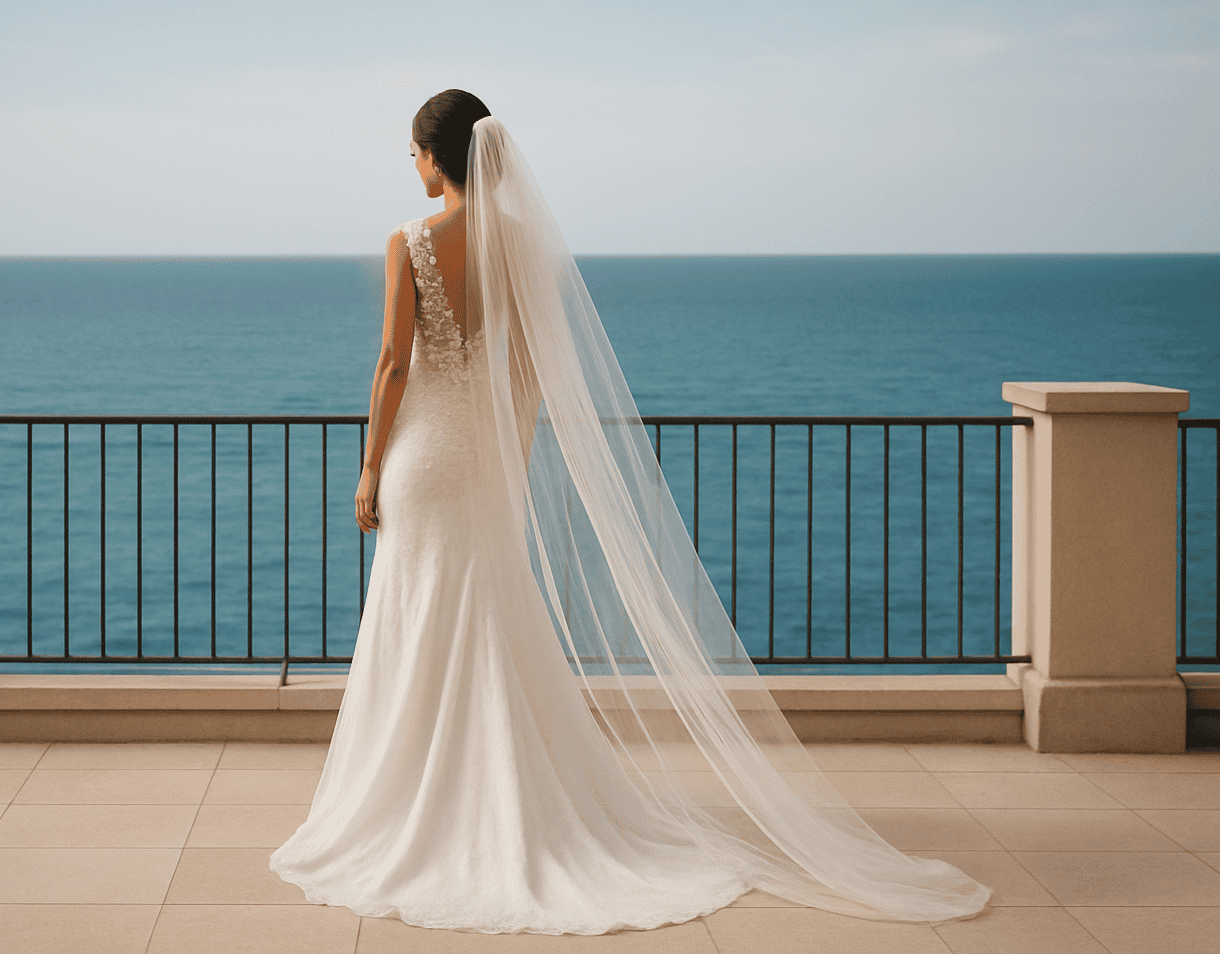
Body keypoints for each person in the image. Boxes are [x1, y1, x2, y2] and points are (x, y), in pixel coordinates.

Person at [269, 89, 992, 935]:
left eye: (416, 152)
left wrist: (366, 468)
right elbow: (533, 367)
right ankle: (501, 797)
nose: (414, 166)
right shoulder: (522, 244)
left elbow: (394, 363)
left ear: (439, 157)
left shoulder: (410, 241)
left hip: (424, 457)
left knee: (418, 613)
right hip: (485, 456)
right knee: (489, 615)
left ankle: (411, 804)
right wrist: (515, 452)